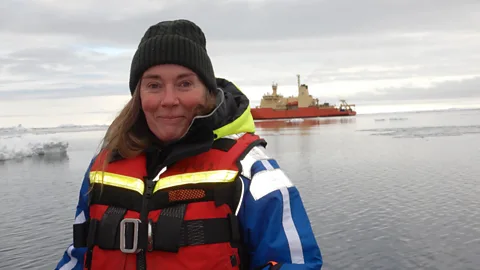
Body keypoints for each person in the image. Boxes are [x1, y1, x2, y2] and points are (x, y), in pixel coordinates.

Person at [55, 19, 323, 270]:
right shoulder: (103, 167)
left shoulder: (251, 170)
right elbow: (78, 257)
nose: (169, 99)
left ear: (207, 91)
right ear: (138, 95)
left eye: (184, 83)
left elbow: (296, 262)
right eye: (154, 85)